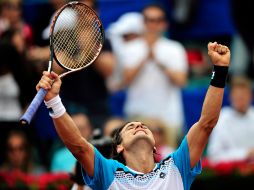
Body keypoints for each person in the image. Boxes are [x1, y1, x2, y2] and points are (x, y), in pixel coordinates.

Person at [36, 41, 230, 190]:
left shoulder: (176, 166)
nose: (139, 125)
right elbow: (78, 146)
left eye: (143, 126)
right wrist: (53, 101)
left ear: (155, 144)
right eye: (131, 127)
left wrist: (220, 70)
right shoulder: (108, 172)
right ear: (119, 147)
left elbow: (206, 123)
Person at [121, 4, 188, 136]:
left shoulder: (175, 48)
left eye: (158, 20)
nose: (153, 25)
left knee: (169, 156)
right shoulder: (130, 48)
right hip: (137, 115)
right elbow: (126, 80)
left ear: (164, 24)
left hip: (168, 117)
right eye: (149, 20)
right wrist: (145, 57)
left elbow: (182, 81)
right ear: (143, 23)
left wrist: (158, 61)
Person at [207, 76, 254, 163]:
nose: (241, 99)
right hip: (230, 174)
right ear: (231, 97)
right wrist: (245, 154)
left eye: (244, 95)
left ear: (250, 96)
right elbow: (214, 155)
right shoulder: (222, 119)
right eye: (238, 96)